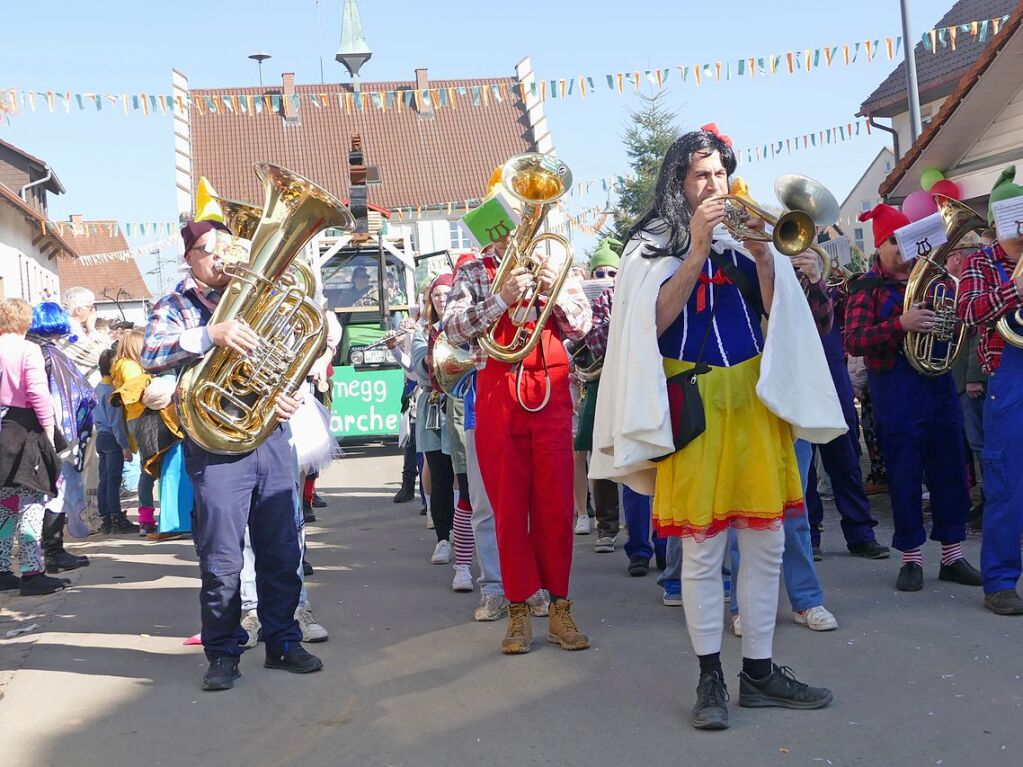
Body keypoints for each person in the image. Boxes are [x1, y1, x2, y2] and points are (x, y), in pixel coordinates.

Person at [590, 126, 843, 730]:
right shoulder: (648, 246)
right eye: (702, 175)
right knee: (702, 551)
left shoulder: (747, 236)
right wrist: (697, 251)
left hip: (754, 399)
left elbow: (775, 316)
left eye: (721, 175)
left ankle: (758, 671)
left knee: (766, 542)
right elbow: (646, 327)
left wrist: (766, 257)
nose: (714, 186)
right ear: (678, 182)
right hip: (694, 403)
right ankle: (709, 677)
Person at [142, 219, 322, 691]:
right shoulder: (175, 304)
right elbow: (151, 353)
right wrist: (209, 335)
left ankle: (283, 640)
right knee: (222, 557)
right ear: (190, 258)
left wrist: (290, 391)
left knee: (282, 549)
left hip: (269, 434)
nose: (220, 257)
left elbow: (289, 353)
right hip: (216, 443)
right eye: (208, 249)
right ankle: (223, 652)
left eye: (225, 246)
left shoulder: (261, 296)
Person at [445, 187, 593, 655]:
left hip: (548, 388)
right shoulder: (472, 269)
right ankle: (517, 609)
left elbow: (583, 324)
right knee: (508, 508)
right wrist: (499, 299)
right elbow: (451, 329)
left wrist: (553, 288)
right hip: (497, 390)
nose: (515, 232)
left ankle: (560, 605)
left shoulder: (554, 261)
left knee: (554, 505)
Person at [844, 203, 981, 593]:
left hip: (937, 385)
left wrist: (951, 322)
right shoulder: (865, 288)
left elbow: (957, 325)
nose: (901, 247)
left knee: (951, 470)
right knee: (905, 475)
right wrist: (900, 324)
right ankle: (912, 559)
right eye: (891, 240)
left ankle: (953, 556)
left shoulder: (933, 279)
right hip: (895, 389)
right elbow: (853, 340)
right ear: (879, 245)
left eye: (903, 238)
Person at [957, 167, 1023, 614]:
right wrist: (1013, 287)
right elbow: (968, 311)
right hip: (1008, 378)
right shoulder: (982, 262)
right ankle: (1000, 580)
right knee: (1006, 485)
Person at [0, 298, 68, 596]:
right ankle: (32, 572)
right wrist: (50, 431)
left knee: (4, 507)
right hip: (25, 429)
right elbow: (38, 392)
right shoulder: (28, 349)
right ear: (24, 320)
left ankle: (1, 570)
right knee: (31, 504)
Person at [409, 274, 458, 570]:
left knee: (464, 477)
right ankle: (443, 538)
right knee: (439, 473)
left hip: (459, 403)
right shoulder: (420, 332)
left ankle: (465, 534)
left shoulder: (463, 328)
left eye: (447, 293)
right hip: (433, 405)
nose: (442, 299)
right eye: (437, 295)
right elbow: (420, 369)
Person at [93, 348, 136, 533]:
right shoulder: (112, 392)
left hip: (101, 437)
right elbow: (116, 423)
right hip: (112, 439)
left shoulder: (97, 388)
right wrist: (125, 446)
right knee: (113, 479)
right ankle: (115, 517)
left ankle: (106, 518)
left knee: (104, 479)